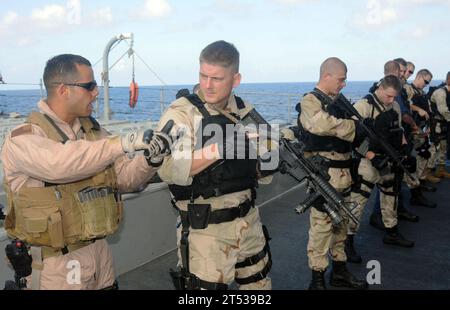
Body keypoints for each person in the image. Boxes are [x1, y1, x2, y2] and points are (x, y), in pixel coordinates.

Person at [0, 54, 173, 290]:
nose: (96, 92)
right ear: (63, 90)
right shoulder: (24, 137)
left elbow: (123, 179)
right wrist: (123, 142)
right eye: (90, 86)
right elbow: (59, 164)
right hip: (56, 265)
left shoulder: (94, 133)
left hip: (98, 253)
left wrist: (151, 160)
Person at [157, 41, 275, 290]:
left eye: (217, 78)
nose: (207, 85)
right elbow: (167, 168)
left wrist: (269, 154)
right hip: (206, 232)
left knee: (259, 286)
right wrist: (219, 149)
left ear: (236, 79)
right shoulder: (182, 113)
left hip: (248, 221)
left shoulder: (245, 111)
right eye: (203, 76)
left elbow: (266, 171)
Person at [298, 57, 368, 290]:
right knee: (321, 228)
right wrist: (352, 128)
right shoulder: (310, 100)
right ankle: (317, 278)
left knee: (342, 225)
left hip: (345, 173)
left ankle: (339, 271)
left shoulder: (338, 103)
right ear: (327, 76)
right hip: (325, 176)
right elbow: (320, 124)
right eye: (341, 79)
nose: (343, 84)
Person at [349, 75, 415, 258]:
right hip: (366, 162)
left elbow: (398, 130)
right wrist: (371, 156)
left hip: (388, 160)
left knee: (390, 196)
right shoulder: (363, 106)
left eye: (394, 97)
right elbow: (353, 140)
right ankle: (348, 241)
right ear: (380, 88)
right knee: (358, 203)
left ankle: (391, 232)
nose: (391, 101)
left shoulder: (394, 106)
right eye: (388, 96)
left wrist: (404, 150)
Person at [404, 69, 441, 189]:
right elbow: (405, 104)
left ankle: (421, 179)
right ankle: (415, 184)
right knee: (416, 156)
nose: (426, 84)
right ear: (419, 77)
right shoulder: (408, 89)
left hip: (423, 129)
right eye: (426, 81)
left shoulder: (422, 92)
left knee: (426, 153)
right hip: (413, 130)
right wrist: (418, 109)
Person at [430, 71, 450, 179]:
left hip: (444, 124)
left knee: (443, 147)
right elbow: (443, 110)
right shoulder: (441, 92)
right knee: (434, 148)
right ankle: (427, 173)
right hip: (435, 124)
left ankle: (440, 171)